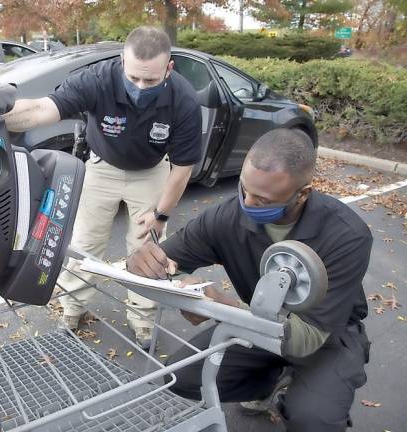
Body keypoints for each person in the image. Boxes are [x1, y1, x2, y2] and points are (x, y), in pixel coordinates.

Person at [127, 129, 372, 431]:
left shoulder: (346, 235)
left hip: (324, 338)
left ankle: (302, 393)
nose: (248, 204)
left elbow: (307, 337)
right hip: (252, 325)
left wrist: (224, 307)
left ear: (303, 194)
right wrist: (141, 261)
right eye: (245, 189)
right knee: (183, 377)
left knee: (314, 418)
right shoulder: (227, 216)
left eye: (263, 199)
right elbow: (168, 261)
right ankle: (266, 383)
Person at [2, 26, 203, 349]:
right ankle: (72, 308)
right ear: (122, 59)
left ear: (169, 69)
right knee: (84, 243)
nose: (139, 87)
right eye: (133, 76)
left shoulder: (184, 101)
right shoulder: (98, 79)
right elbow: (43, 109)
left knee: (148, 249)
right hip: (102, 167)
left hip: (151, 172)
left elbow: (182, 168)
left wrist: (161, 215)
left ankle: (143, 320)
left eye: (150, 81)